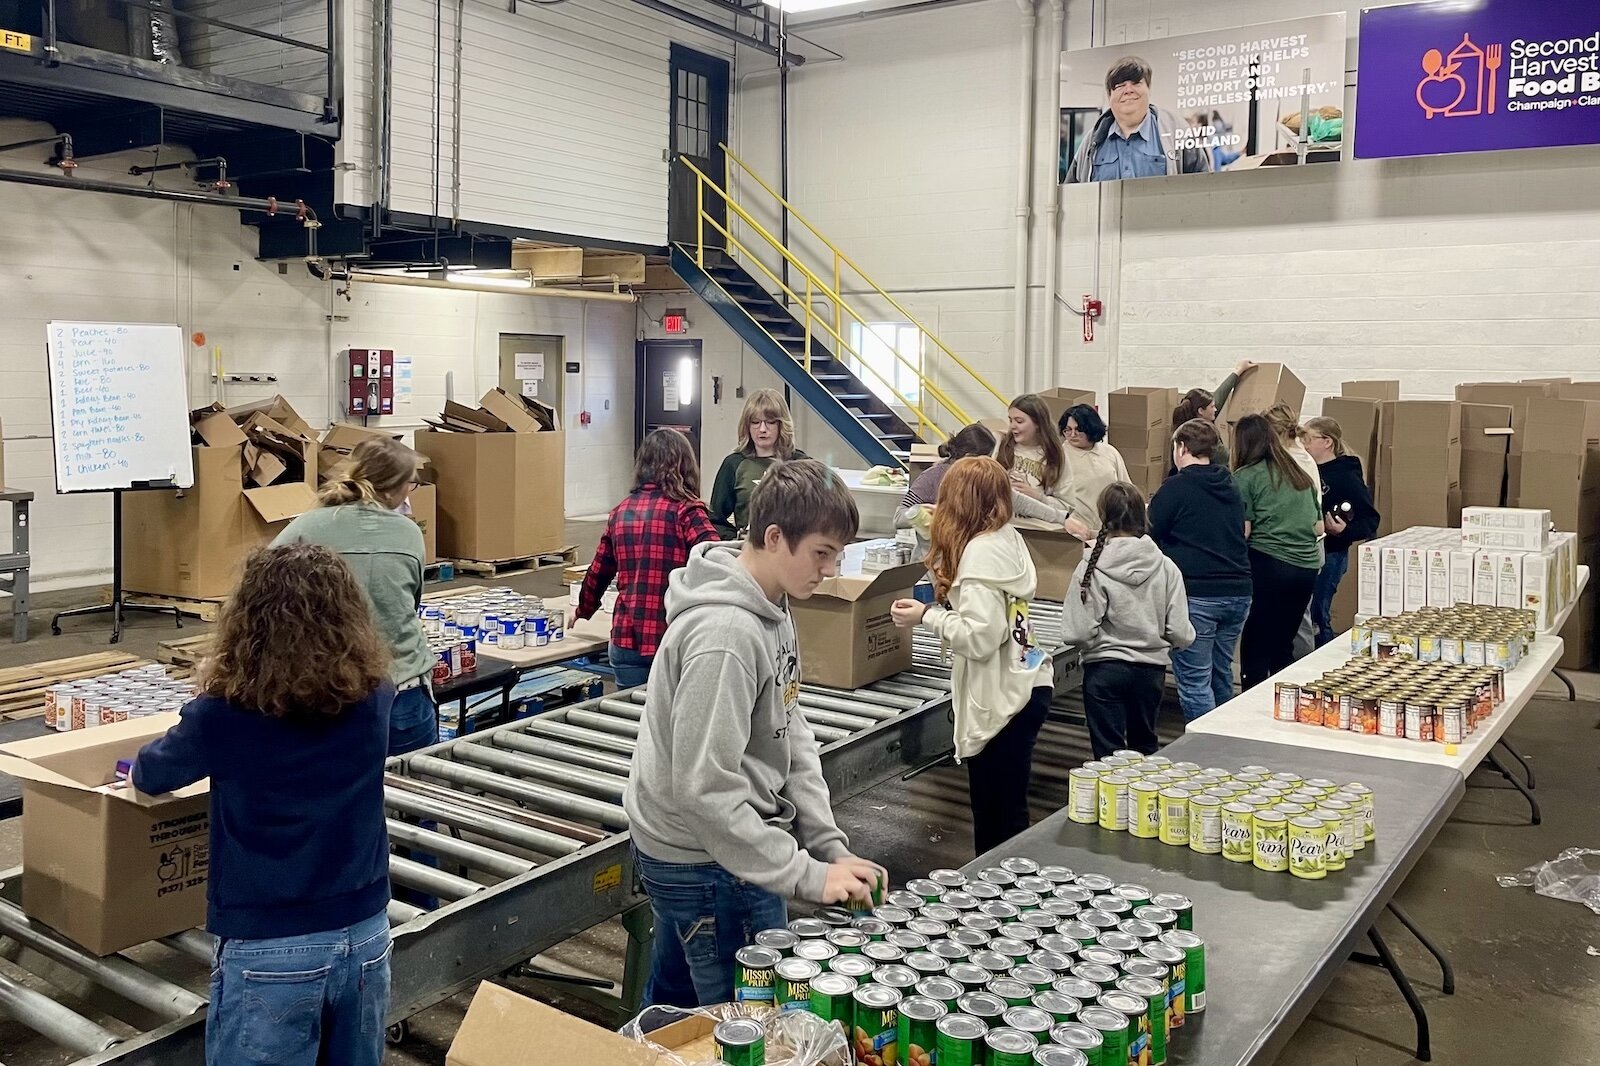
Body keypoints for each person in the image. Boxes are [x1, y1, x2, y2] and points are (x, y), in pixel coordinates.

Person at [624, 460, 888, 1008]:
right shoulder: (727, 633)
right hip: (707, 863)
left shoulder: (773, 604)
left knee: (674, 1013)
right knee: (747, 1026)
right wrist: (806, 876)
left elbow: (791, 732)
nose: (830, 569)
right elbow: (704, 789)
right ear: (774, 538)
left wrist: (827, 846)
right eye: (821, 553)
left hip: (712, 848)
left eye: (837, 555)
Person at [132, 544, 394, 1066]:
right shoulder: (375, 695)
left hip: (271, 945)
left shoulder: (225, 715)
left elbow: (151, 773)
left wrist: (210, 684)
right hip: (366, 932)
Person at [888, 458, 1055, 854]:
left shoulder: (979, 555)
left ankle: (997, 901)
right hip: (1027, 679)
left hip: (1005, 698)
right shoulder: (1006, 538)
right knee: (1010, 811)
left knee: (996, 820)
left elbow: (981, 636)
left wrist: (927, 615)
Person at [273, 436, 433, 755]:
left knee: (338, 794)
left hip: (330, 691)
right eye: (411, 484)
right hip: (403, 690)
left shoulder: (306, 525)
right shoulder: (408, 533)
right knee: (415, 792)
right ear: (394, 487)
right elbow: (412, 602)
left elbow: (262, 587)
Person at [577, 429, 719, 688]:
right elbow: (717, 562)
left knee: (631, 723)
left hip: (626, 641)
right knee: (670, 725)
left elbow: (598, 572)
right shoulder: (687, 511)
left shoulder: (620, 512)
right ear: (685, 465)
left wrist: (583, 609)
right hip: (673, 639)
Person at [1061, 483, 1194, 758]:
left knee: (1107, 757)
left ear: (1102, 516)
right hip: (1150, 672)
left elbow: (1077, 632)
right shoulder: (1166, 566)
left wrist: (1099, 642)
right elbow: (1181, 631)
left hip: (1104, 670)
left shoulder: (1090, 567)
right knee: (1145, 749)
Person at [1149, 419, 1253, 722]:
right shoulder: (1229, 483)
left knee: (1195, 680)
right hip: (1238, 591)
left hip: (1199, 594)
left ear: (1181, 448)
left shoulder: (1177, 487)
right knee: (1220, 672)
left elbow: (1150, 531)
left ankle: (1205, 752)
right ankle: (1225, 735)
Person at [895, 422, 1089, 556]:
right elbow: (899, 518)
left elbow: (1019, 501)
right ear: (970, 455)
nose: (990, 462)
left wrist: (1062, 518)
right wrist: (931, 513)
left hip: (965, 564)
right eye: (987, 457)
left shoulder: (984, 478)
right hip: (931, 569)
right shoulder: (932, 478)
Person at [1232, 414, 1323, 691]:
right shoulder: (1301, 475)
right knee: (1284, 643)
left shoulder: (1245, 477)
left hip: (1270, 565)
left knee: (1256, 643)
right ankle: (1283, 703)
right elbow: (1318, 526)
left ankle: (1250, 707)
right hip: (1306, 568)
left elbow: (1243, 531)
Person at [1065, 56, 1212, 183]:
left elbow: (1204, 184)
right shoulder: (1091, 142)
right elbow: (1071, 192)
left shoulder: (1176, 129)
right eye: (1120, 85)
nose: (1128, 90)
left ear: (1149, 89)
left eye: (1136, 83)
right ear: (1109, 96)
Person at [1304, 416, 1381, 647]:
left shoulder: (1345, 475)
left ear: (1326, 442)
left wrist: (1344, 531)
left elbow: (1370, 519)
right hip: (1308, 553)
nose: (1303, 445)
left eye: (1307, 439)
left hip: (1331, 555)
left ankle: (1322, 662)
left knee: (1318, 615)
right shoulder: (1308, 471)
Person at [1265, 402, 1324, 659]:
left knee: (1294, 622)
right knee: (1299, 618)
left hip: (1293, 548)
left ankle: (1298, 674)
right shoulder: (1305, 458)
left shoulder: (1289, 460)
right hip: (1310, 547)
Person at [708, 388, 808, 539]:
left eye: (770, 422)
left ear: (781, 425)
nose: (762, 429)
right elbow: (715, 520)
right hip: (748, 552)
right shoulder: (734, 464)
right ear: (747, 425)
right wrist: (735, 538)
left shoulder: (801, 464)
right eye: (755, 422)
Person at [1165, 359, 1257, 477]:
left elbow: (1219, 396)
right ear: (1201, 411)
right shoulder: (1203, 436)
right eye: (1212, 407)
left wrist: (1238, 371)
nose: (1216, 409)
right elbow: (1226, 458)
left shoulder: (1186, 426)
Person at [996, 394, 1072, 521]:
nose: (1012, 426)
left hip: (1038, 530)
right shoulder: (1001, 446)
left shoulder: (1056, 456)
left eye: (1019, 421)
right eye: (1010, 420)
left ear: (1038, 423)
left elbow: (1066, 508)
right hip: (1005, 526)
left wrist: (1038, 497)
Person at [1057, 404, 1131, 531]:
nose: (1073, 435)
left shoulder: (1109, 452)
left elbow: (1126, 489)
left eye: (1079, 429)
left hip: (1111, 528)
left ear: (1091, 429)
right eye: (1067, 430)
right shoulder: (1059, 457)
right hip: (1077, 530)